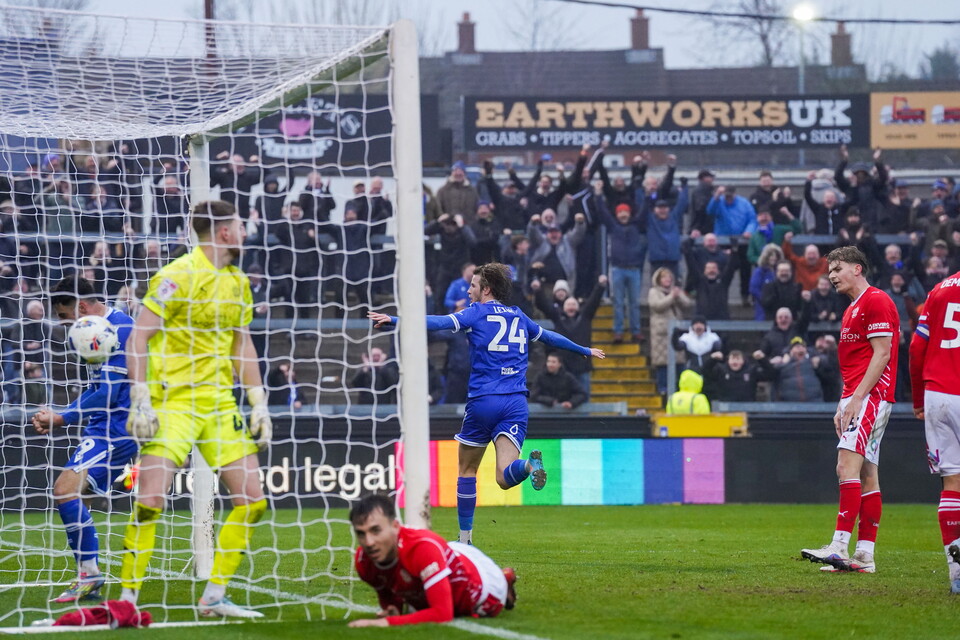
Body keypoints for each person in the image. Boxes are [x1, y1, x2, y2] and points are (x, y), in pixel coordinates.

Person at [368, 263, 604, 544]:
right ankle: (529, 466)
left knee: (467, 471)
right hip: (516, 403)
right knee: (505, 477)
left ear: (487, 289)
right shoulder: (518, 316)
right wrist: (582, 350)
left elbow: (439, 323)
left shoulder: (476, 313)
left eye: (473, 286)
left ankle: (465, 539)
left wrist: (395, 320)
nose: (468, 291)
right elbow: (550, 336)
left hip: (484, 401)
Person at [119, 200, 272, 618]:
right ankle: (127, 599)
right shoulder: (175, 276)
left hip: (220, 404)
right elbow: (138, 338)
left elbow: (243, 343)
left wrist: (258, 401)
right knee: (150, 499)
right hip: (174, 404)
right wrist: (140, 397)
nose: (244, 232)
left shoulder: (239, 281)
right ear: (224, 232)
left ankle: (214, 596)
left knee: (252, 500)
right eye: (239, 225)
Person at [29, 276, 137, 603]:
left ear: (82, 307)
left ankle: (89, 576)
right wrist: (62, 411)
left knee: (64, 490)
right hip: (104, 425)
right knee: (76, 496)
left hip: (121, 426)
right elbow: (96, 389)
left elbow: (107, 393)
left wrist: (61, 417)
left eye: (64, 317)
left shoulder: (121, 330)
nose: (65, 326)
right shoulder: (95, 332)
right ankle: (88, 573)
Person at [801, 245, 899, 574]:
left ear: (857, 269)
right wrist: (843, 402)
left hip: (870, 396)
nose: (831, 276)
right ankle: (864, 556)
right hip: (859, 395)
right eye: (830, 272)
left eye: (837, 269)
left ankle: (839, 547)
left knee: (846, 467)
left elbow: (882, 354)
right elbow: (855, 361)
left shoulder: (876, 300)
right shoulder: (852, 308)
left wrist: (857, 398)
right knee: (868, 474)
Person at [349, 494, 515, 627]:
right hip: (445, 554)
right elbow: (389, 594)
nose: (369, 542)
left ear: (395, 526)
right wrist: (393, 610)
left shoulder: (422, 548)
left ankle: (504, 578)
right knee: (421, 599)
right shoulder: (364, 560)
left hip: (484, 583)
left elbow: (442, 614)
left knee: (477, 603)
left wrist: (385, 622)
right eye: (361, 534)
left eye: (375, 530)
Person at [909, 267, 960, 593]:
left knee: (952, 480)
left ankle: (956, 574)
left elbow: (916, 348)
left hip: (938, 394)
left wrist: (918, 399)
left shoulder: (939, 290)